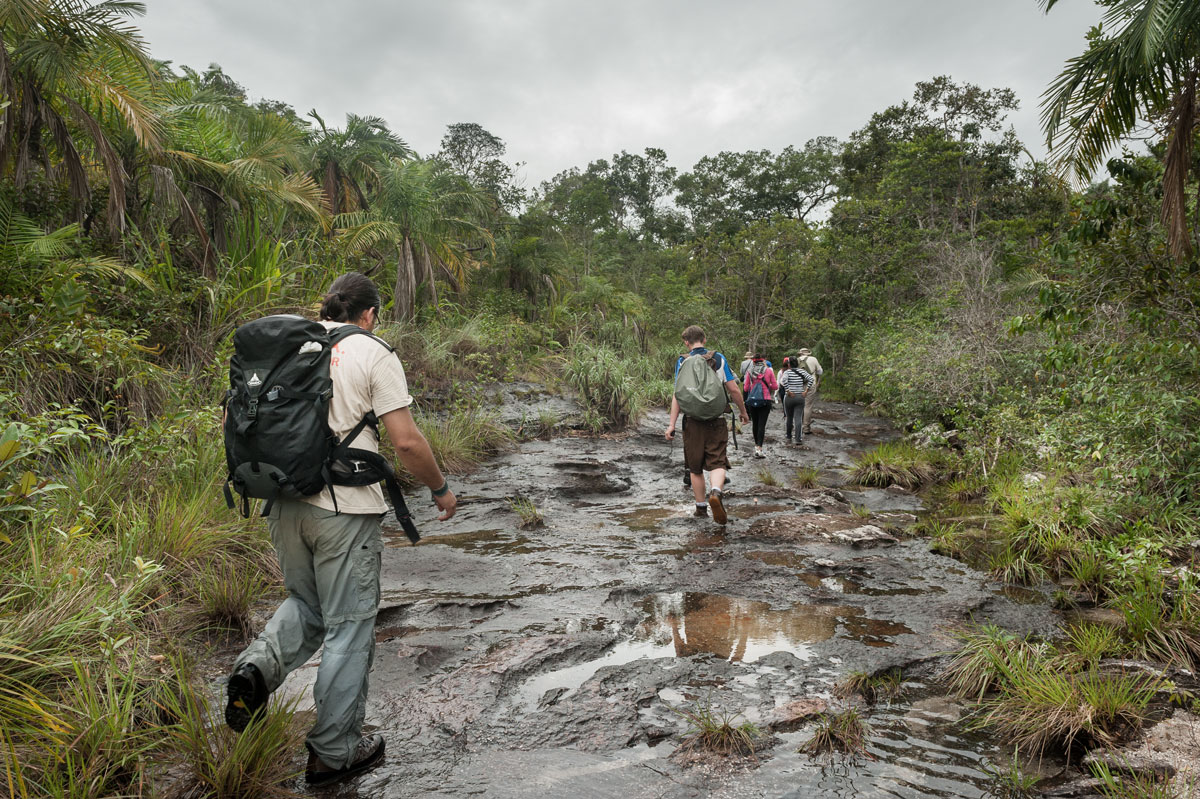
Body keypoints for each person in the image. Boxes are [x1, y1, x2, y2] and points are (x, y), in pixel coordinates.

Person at [225, 273, 458, 787]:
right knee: (349, 625)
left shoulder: (293, 347)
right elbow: (407, 443)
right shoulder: (371, 351)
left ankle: (254, 672)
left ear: (326, 306)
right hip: (345, 507)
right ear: (369, 314)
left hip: (284, 500)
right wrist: (440, 490)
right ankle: (335, 751)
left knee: (307, 605)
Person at [665, 325, 749, 525]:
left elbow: (678, 395)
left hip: (692, 422)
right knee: (717, 461)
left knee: (695, 468)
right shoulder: (718, 359)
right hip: (716, 420)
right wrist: (743, 412)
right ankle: (716, 492)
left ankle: (701, 508)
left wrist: (671, 425)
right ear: (704, 339)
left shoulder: (682, 361)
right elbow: (733, 389)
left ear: (686, 342)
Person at [742, 355, 778, 459]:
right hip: (765, 400)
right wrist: (767, 387)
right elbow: (775, 386)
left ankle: (756, 447)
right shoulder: (768, 371)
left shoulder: (749, 371)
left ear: (753, 362)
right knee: (762, 425)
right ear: (763, 361)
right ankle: (760, 448)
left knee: (755, 424)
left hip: (753, 400)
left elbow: (746, 387)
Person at [778, 357, 815, 445]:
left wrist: (788, 390)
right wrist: (806, 390)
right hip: (800, 396)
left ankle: (788, 436)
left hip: (789, 397)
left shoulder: (787, 372)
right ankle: (798, 439)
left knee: (789, 417)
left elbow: (783, 381)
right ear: (798, 364)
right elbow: (811, 379)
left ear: (789, 364)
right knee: (798, 417)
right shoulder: (802, 371)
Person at [796, 348, 824, 435]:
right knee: (807, 406)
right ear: (808, 353)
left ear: (800, 353)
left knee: (799, 406)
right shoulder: (813, 359)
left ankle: (797, 427)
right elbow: (820, 372)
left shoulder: (796, 360)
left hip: (798, 385)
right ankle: (806, 428)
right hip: (811, 384)